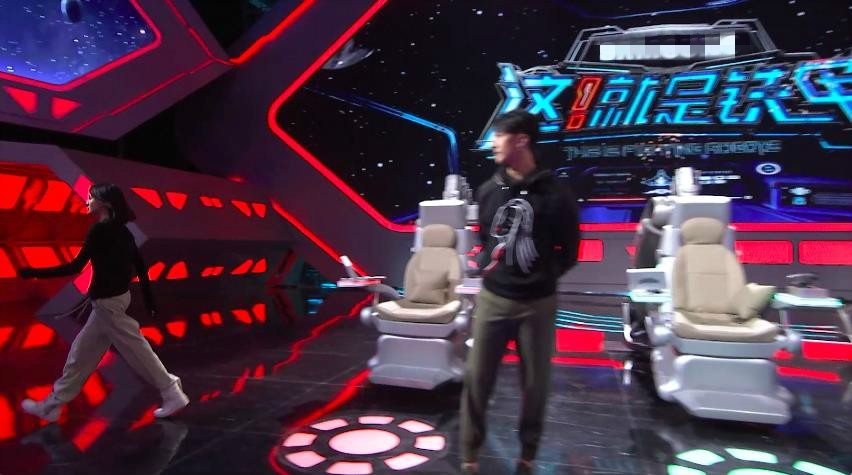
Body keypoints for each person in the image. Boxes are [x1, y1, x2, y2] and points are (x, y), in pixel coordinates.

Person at [460, 110, 580, 474]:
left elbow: (569, 250)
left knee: (535, 385)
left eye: (500, 135)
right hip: (493, 299)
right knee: (477, 380)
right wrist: (491, 269)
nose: (493, 143)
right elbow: (485, 240)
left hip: (538, 305)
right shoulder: (487, 191)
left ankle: (527, 455)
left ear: (522, 140)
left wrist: (543, 277)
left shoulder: (556, 193)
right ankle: (469, 457)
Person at [17, 183, 189, 422]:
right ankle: (52, 406)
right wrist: (149, 301)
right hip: (112, 301)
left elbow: (75, 267)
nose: (87, 201)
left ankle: (170, 391)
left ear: (105, 203)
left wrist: (32, 272)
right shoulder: (124, 231)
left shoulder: (99, 230)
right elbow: (140, 267)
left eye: (91, 197)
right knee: (81, 355)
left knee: (136, 348)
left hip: (108, 304)